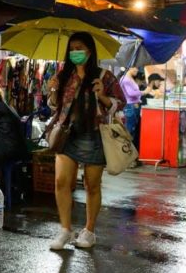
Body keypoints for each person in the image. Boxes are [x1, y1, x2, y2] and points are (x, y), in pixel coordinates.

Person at [45, 32, 126, 251]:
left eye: (79, 48)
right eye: (71, 49)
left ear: (89, 51)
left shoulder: (104, 76)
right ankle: (65, 230)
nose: (74, 53)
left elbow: (121, 103)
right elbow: (55, 106)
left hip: (94, 135)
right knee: (62, 182)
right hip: (66, 134)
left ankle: (89, 231)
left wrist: (102, 95)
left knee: (92, 185)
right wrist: (52, 89)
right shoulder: (63, 75)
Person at [120, 67, 144, 149]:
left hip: (131, 108)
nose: (141, 83)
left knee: (131, 131)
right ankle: (126, 152)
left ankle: (129, 152)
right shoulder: (126, 81)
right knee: (129, 131)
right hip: (130, 108)